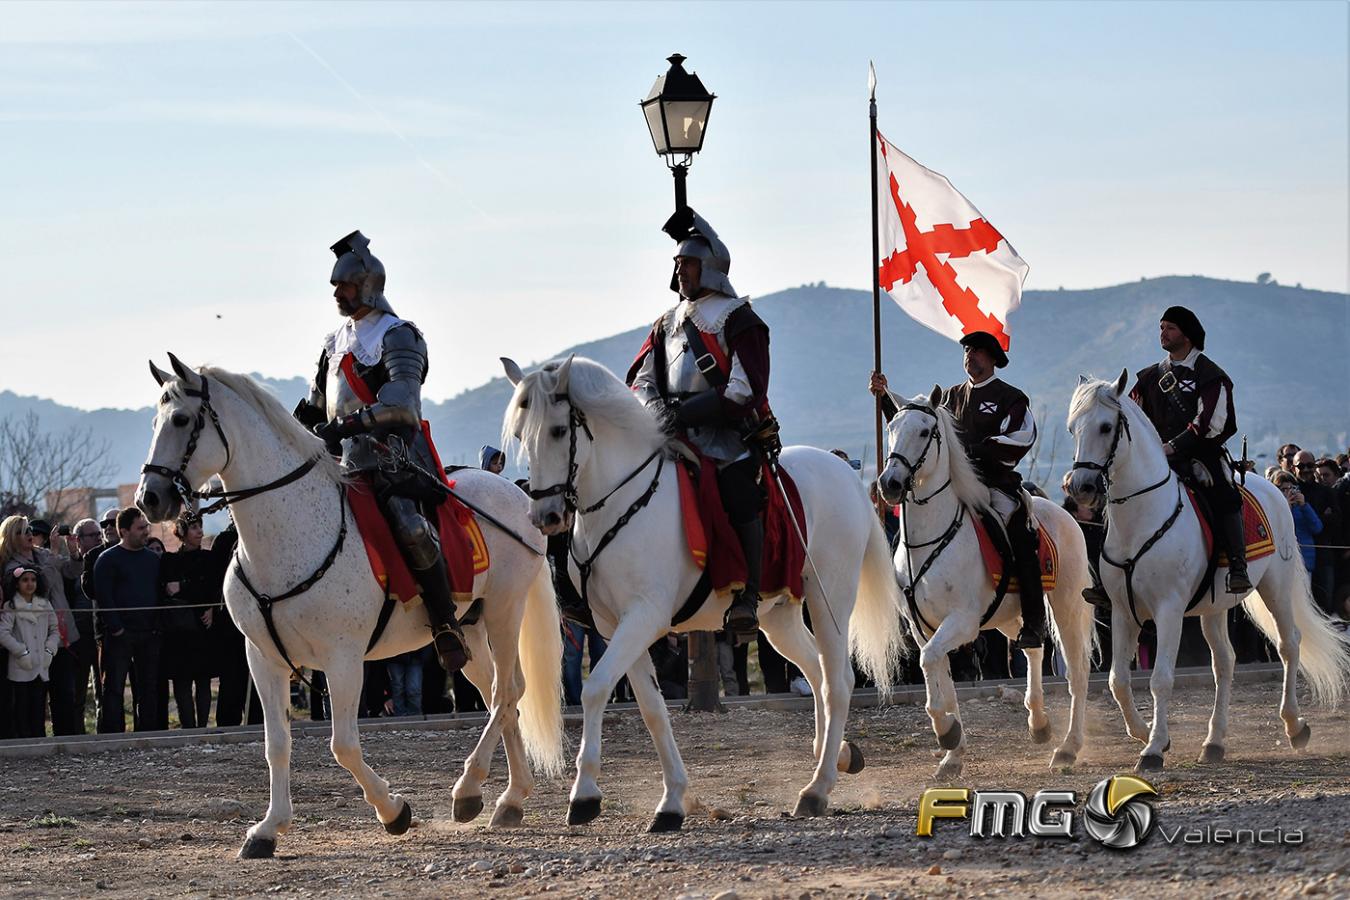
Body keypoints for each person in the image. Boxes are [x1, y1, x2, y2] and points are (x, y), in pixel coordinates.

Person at [292, 230, 469, 674]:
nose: (337, 292)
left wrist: (348, 424)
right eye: (335, 286)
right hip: (342, 462)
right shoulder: (333, 343)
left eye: (345, 285)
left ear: (368, 284)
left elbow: (403, 406)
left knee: (408, 524)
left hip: (394, 458)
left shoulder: (399, 336)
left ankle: (445, 622)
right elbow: (316, 405)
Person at [627, 208, 774, 639]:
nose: (679, 271)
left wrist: (685, 413)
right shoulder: (666, 322)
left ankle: (747, 594)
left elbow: (744, 390)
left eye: (686, 263)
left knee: (738, 492)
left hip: (725, 436)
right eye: (676, 264)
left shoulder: (739, 319)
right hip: (669, 434)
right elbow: (641, 378)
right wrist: (656, 411)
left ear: (708, 267)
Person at [869, 330, 1046, 649]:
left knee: (1018, 533)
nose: (970, 356)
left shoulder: (1011, 397)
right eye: (967, 351)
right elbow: (911, 426)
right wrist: (884, 397)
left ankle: (1033, 621)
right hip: (951, 488)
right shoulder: (947, 398)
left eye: (977, 351)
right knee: (906, 536)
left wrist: (973, 450)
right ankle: (913, 611)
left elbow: (1022, 437)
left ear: (993, 358)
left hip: (994, 487)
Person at [1128, 307, 1249, 593]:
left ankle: (1237, 565)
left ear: (1187, 333)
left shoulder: (1211, 375)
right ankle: (1112, 576)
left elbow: (1208, 423)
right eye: (1161, 327)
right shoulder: (1147, 377)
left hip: (1201, 455)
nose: (1163, 333)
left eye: (1170, 327)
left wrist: (1172, 447)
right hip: (1157, 458)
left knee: (1224, 494)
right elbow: (1132, 416)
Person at [0, 515, 81, 735]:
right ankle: (36, 741)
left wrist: (73, 552)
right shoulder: (11, 566)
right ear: (10, 538)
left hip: (60, 634)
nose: (29, 535)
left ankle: (67, 738)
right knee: (33, 698)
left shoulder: (43, 554)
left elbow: (73, 573)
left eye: (29, 530)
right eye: (23, 531)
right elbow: (37, 586)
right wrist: (54, 554)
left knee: (65, 692)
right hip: (31, 638)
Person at [93, 507, 162, 732]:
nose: (145, 532)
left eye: (146, 527)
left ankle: (148, 734)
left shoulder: (153, 560)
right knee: (113, 688)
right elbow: (104, 598)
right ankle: (112, 736)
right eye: (140, 528)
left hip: (148, 634)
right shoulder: (107, 560)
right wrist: (117, 630)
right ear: (124, 531)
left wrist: (156, 627)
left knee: (148, 689)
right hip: (119, 636)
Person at [158, 513, 214, 728]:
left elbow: (212, 586)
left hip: (203, 626)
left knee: (203, 680)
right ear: (181, 532)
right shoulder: (170, 559)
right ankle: (188, 727)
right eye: (193, 527)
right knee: (181, 680)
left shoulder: (209, 558)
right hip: (179, 628)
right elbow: (170, 590)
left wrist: (187, 589)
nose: (199, 531)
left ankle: (202, 726)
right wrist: (196, 592)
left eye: (200, 526)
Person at [0, 567, 60, 738]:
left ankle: (39, 740)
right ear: (17, 584)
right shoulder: (11, 606)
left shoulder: (45, 603)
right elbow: (3, 633)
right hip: (21, 666)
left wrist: (49, 650)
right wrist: (21, 652)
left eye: (32, 580)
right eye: (25, 580)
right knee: (21, 707)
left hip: (41, 664)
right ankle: (23, 742)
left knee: (39, 707)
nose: (29, 583)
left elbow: (55, 630)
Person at [1293, 450, 1340, 613]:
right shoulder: (1290, 493)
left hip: (1324, 555)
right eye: (1301, 466)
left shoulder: (1326, 492)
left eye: (1310, 465)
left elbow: (1336, 520)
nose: (1306, 469)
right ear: (1294, 468)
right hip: (1297, 557)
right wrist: (1321, 517)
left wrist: (1314, 517)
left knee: (1324, 603)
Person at [1273, 472, 1322, 573]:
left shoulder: (1303, 508)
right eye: (1283, 489)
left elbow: (1317, 528)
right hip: (1283, 561)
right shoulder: (1274, 509)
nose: (1288, 492)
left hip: (1305, 562)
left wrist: (1304, 506)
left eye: (1291, 488)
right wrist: (1285, 508)